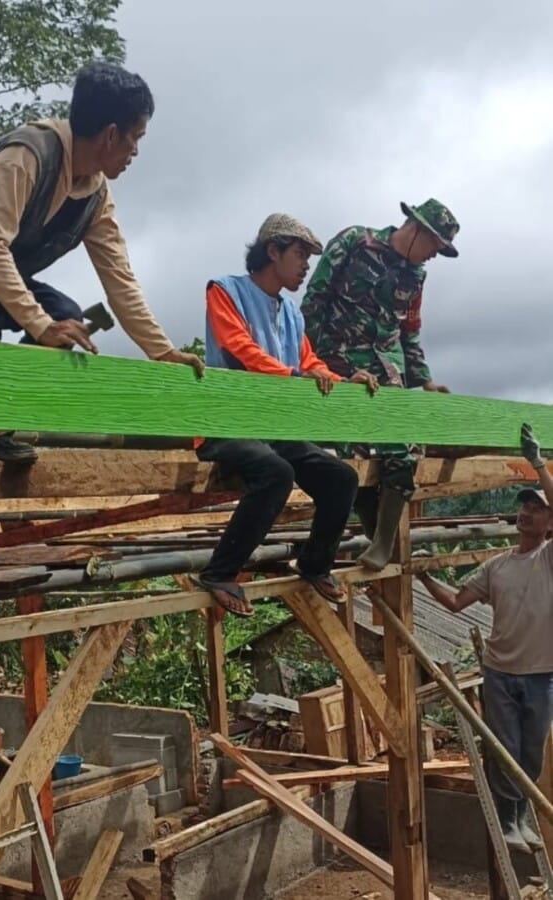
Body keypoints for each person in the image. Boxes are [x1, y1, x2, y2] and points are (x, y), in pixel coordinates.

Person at [0, 61, 203, 461]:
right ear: (111, 135)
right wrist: (40, 326)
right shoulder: (27, 155)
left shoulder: (95, 196)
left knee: (67, 317)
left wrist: (163, 353)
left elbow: (121, 282)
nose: (136, 152)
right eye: (135, 138)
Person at [195, 213, 377, 617]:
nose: (306, 266)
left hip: (272, 427)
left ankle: (315, 565)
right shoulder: (224, 290)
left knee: (341, 477)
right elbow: (239, 347)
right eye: (299, 254)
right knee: (277, 473)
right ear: (272, 251)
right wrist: (294, 375)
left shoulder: (292, 314)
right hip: (226, 423)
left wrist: (346, 380)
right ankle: (221, 573)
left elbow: (311, 364)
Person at [301, 199, 459, 571]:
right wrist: (316, 364)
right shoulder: (356, 242)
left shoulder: (416, 276)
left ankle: (383, 541)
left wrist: (425, 380)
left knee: (403, 448)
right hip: (339, 363)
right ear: (417, 228)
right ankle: (374, 532)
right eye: (434, 246)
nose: (434, 256)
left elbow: (410, 331)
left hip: (389, 370)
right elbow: (314, 303)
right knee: (354, 452)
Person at [418, 423, 553, 854]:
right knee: (504, 748)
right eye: (524, 508)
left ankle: (520, 817)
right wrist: (424, 577)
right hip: (499, 672)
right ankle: (509, 821)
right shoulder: (496, 566)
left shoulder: (548, 559)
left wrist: (536, 463)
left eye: (536, 508)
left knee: (530, 753)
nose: (526, 513)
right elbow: (457, 601)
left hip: (541, 674)